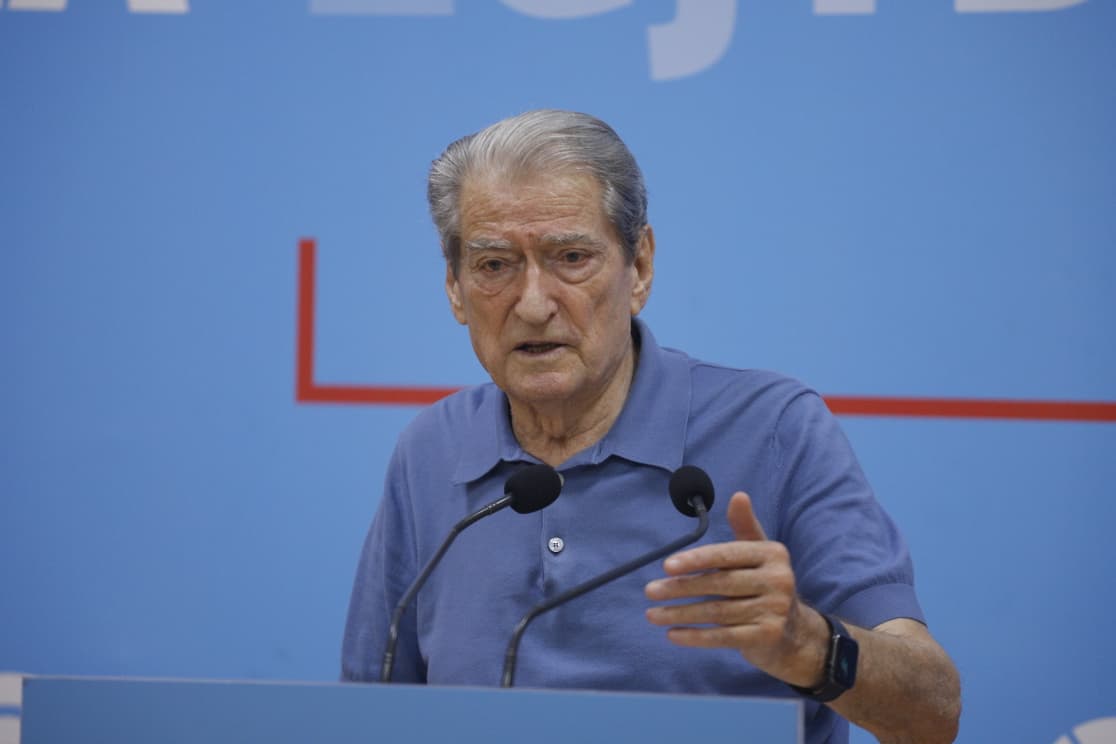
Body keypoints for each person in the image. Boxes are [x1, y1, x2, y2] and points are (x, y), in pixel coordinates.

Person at [341, 109, 961, 744]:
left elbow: (932, 712)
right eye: (495, 265)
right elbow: (365, 714)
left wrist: (811, 645)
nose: (532, 303)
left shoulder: (774, 429)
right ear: (454, 287)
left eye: (571, 257)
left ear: (638, 267)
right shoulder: (431, 450)